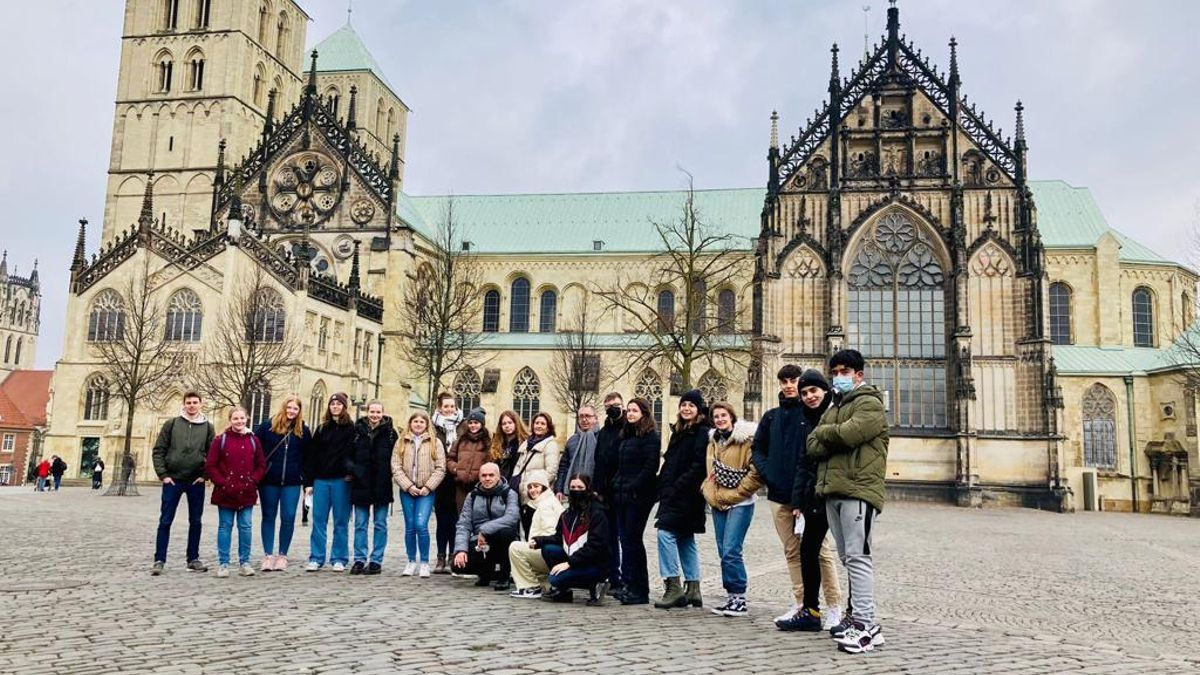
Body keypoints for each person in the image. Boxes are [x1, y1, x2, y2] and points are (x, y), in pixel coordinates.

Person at [807, 349, 889, 654]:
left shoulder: (870, 403)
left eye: (843, 371)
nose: (837, 377)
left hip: (858, 490)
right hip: (834, 490)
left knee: (858, 557)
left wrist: (829, 434)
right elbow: (813, 444)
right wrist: (832, 434)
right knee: (848, 558)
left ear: (858, 375)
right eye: (834, 372)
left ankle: (864, 625)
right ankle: (859, 620)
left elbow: (851, 434)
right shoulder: (834, 407)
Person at [752, 365, 842, 630]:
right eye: (785, 381)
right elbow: (758, 450)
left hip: (807, 496)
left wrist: (802, 495)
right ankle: (802, 603)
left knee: (821, 552)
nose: (789, 385)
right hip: (779, 495)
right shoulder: (771, 417)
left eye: (794, 381)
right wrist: (771, 476)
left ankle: (834, 606)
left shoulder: (812, 415)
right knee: (792, 552)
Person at [702, 402, 763, 618]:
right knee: (723, 550)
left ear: (732, 417)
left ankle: (739, 598)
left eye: (723, 415)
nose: (719, 419)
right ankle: (731, 598)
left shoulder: (745, 441)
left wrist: (739, 492)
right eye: (716, 416)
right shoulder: (713, 442)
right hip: (719, 501)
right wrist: (708, 491)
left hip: (741, 502)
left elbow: (755, 471)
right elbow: (710, 472)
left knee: (731, 550)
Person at [654, 389, 711, 610]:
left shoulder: (701, 432)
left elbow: (698, 465)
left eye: (691, 406)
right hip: (677, 493)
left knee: (664, 533)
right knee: (685, 538)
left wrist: (675, 487)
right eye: (683, 405)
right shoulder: (679, 431)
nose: (686, 408)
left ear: (698, 410)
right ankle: (693, 588)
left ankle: (673, 586)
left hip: (686, 495)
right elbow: (670, 462)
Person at [151, 391, 215, 575]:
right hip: (173, 479)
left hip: (195, 480)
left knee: (196, 521)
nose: (192, 405)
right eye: (189, 402)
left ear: (201, 404)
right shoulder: (172, 424)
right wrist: (163, 474)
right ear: (184, 404)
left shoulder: (208, 427)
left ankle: (193, 559)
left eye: (195, 402)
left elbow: (212, 454)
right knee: (165, 520)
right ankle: (159, 559)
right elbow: (159, 450)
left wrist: (205, 475)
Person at [531, 474, 611, 605]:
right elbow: (559, 538)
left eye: (580, 487)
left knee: (555, 579)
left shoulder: (597, 513)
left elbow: (596, 546)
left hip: (595, 563)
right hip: (575, 558)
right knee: (548, 549)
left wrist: (569, 563)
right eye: (572, 487)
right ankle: (564, 592)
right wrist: (539, 540)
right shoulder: (567, 513)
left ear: (588, 488)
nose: (576, 490)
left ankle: (596, 585)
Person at [610, 397, 660, 605]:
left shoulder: (650, 436)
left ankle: (640, 590)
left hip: (639, 495)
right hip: (622, 492)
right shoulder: (627, 435)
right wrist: (616, 483)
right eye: (628, 410)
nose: (630, 414)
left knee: (633, 540)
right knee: (625, 540)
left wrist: (633, 486)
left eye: (634, 411)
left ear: (644, 413)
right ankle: (628, 584)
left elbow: (651, 466)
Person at [206, 406, 267, 578]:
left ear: (246, 418)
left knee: (246, 527)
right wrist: (223, 482)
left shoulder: (253, 440)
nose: (239, 422)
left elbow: (261, 465)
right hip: (226, 492)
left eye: (242, 418)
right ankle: (223, 563)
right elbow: (211, 465)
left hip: (246, 491)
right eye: (235, 419)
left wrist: (253, 480)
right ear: (230, 420)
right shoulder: (221, 440)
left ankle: (245, 562)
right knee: (225, 527)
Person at [254, 395, 311, 572]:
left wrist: (306, 482)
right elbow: (256, 451)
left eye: (295, 408)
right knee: (268, 516)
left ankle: (282, 555)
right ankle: (268, 555)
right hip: (269, 480)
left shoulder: (303, 431)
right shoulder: (267, 427)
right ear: (283, 407)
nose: (292, 411)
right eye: (289, 407)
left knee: (288, 517)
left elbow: (308, 458)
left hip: (292, 482)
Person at [303, 393, 355, 572]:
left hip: (342, 481)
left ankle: (339, 558)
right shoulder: (321, 428)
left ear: (344, 407)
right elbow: (311, 456)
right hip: (321, 480)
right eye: (332, 403)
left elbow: (355, 454)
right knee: (319, 521)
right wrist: (309, 482)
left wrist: (351, 472)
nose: (335, 406)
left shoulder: (351, 429)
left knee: (340, 521)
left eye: (338, 404)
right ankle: (316, 557)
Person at [391, 411, 446, 578]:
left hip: (426, 490)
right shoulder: (402, 442)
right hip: (407, 490)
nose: (418, 424)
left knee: (421, 524)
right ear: (410, 423)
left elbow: (440, 468)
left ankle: (424, 562)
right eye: (415, 421)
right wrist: (408, 486)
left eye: (422, 422)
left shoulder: (435, 442)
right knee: (410, 526)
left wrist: (428, 487)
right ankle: (410, 561)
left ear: (427, 424)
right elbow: (396, 466)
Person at [348, 400, 398, 575]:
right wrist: (354, 470)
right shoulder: (356, 431)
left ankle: (376, 560)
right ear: (367, 412)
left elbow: (396, 457)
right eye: (372, 411)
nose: (375, 415)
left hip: (381, 483)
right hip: (361, 483)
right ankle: (360, 559)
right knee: (360, 524)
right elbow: (347, 455)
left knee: (380, 524)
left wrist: (390, 474)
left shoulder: (391, 433)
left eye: (378, 412)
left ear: (383, 413)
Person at [453, 462, 519, 586]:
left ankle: (504, 576)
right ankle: (486, 573)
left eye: (491, 475)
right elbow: (463, 524)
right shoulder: (472, 496)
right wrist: (461, 550)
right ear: (479, 477)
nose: (487, 478)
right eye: (484, 475)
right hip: (480, 542)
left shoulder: (509, 493)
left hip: (502, 540)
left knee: (506, 532)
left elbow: (512, 518)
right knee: (457, 566)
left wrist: (484, 531)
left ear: (498, 476)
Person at [506, 469, 564, 597]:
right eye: (530, 487)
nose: (533, 490)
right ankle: (543, 584)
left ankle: (530, 587)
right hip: (549, 551)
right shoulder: (546, 502)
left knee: (515, 547)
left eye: (536, 486)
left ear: (544, 487)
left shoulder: (545, 505)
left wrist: (537, 541)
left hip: (548, 551)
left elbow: (551, 532)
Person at [591, 392, 625, 596]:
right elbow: (598, 462)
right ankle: (613, 577)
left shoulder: (628, 430)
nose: (612, 408)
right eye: (609, 405)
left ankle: (624, 579)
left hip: (621, 491)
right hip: (604, 493)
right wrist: (596, 488)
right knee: (609, 536)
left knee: (625, 537)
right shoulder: (603, 432)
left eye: (616, 405)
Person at [513, 412, 560, 538]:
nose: (539, 426)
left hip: (538, 495)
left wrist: (533, 487)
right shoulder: (526, 444)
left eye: (543, 424)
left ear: (548, 427)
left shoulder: (550, 445)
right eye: (536, 423)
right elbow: (519, 466)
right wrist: (517, 481)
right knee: (526, 529)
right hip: (524, 494)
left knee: (538, 529)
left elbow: (551, 471)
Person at [431, 393, 463, 574]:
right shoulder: (433, 427)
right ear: (440, 408)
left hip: (458, 479)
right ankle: (440, 557)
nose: (449, 409)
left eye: (452, 406)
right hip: (440, 479)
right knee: (442, 521)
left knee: (456, 520)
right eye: (446, 406)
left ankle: (453, 556)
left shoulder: (463, 426)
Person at [446, 407, 490, 513]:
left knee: (478, 516)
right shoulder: (460, 440)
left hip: (479, 486)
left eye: (476, 422)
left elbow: (491, 461)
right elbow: (450, 458)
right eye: (470, 423)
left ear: (481, 424)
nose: (473, 425)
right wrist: (456, 469)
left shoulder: (488, 441)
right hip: (461, 486)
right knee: (462, 516)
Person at [556, 406, 598, 498]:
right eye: (581, 416)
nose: (584, 419)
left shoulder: (602, 438)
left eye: (588, 416)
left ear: (595, 418)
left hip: (594, 492)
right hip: (572, 491)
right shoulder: (572, 440)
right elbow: (563, 467)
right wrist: (559, 489)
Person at [489, 409, 528, 482]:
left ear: (516, 423)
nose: (507, 426)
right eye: (504, 424)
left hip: (517, 481)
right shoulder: (497, 443)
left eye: (510, 423)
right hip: (500, 483)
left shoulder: (524, 442)